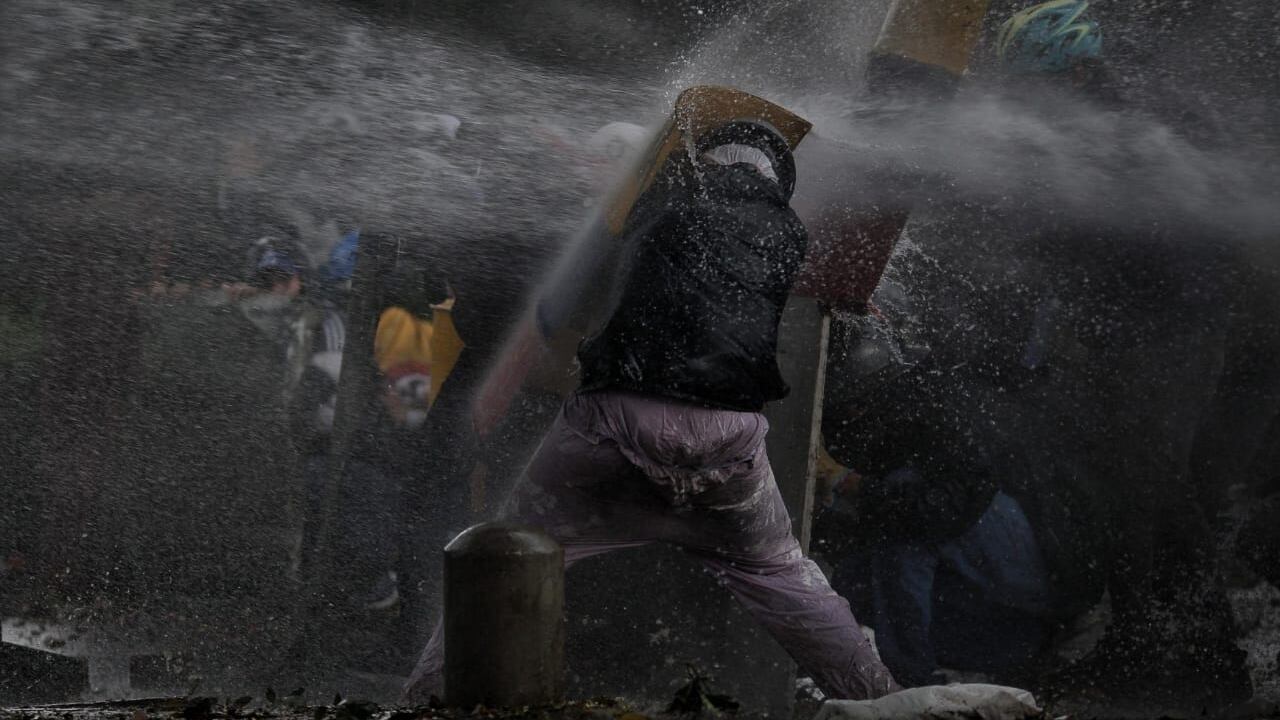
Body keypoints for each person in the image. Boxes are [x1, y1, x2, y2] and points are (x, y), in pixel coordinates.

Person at [403, 121, 901, 702]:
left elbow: (622, 240)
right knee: (781, 575)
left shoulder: (661, 209)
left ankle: (429, 697)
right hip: (728, 440)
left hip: (612, 424)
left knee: (504, 554)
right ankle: (883, 699)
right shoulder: (788, 232)